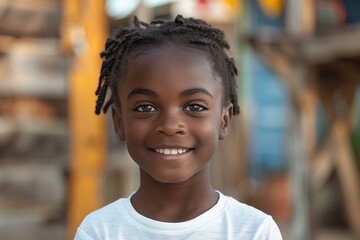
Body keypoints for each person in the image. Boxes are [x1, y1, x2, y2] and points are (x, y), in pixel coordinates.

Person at [74, 15, 283, 240]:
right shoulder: (99, 231)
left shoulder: (254, 231)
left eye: (194, 106)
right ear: (119, 121)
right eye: (145, 108)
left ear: (224, 120)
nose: (170, 126)